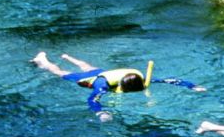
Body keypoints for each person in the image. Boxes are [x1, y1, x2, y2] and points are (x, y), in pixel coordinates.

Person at [32, 51, 205, 121]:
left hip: (107, 72)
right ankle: (43, 60)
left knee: (89, 66)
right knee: (60, 73)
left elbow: (170, 80)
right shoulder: (102, 85)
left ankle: (68, 56)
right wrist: (100, 112)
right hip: (95, 78)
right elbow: (93, 98)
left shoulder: (142, 80)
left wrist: (192, 86)